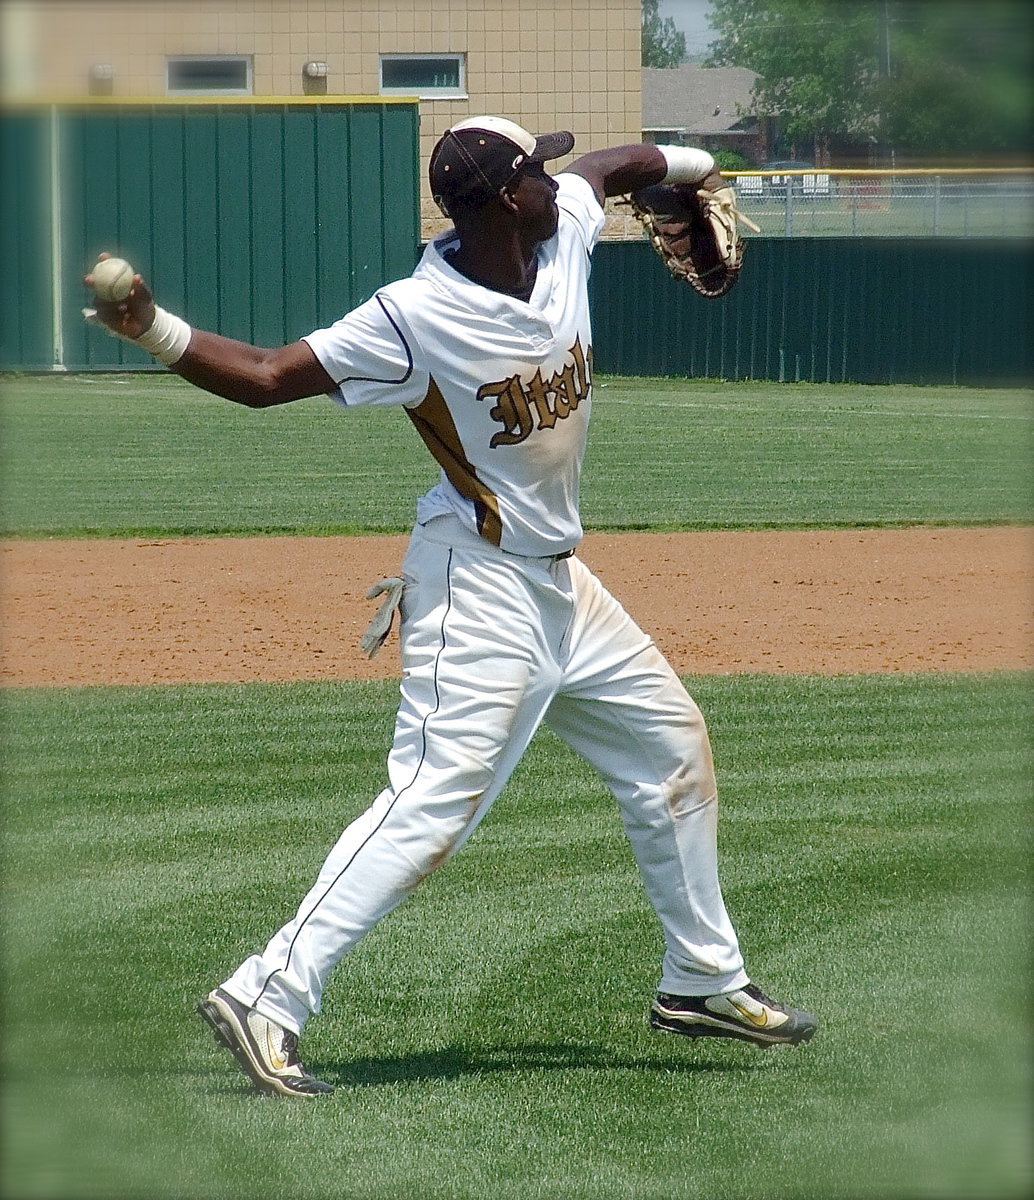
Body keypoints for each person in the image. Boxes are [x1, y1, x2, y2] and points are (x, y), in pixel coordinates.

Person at [86, 116, 817, 1098]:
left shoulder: (556, 219)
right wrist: (151, 329)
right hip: (475, 586)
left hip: (563, 585)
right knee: (431, 804)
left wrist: (698, 168)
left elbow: (620, 164)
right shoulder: (412, 314)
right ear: (503, 197)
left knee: (671, 749)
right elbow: (266, 379)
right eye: (535, 168)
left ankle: (701, 978)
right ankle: (266, 995)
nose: (555, 177)